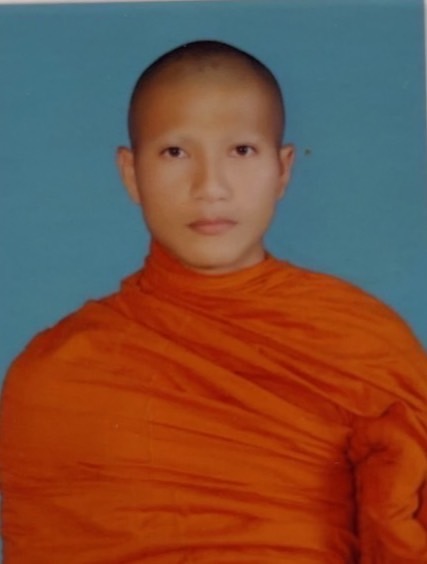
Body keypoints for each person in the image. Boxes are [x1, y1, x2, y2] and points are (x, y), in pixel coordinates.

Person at [0, 40, 426, 564]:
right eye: (175, 153)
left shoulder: (363, 342)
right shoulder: (57, 373)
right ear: (131, 173)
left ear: (283, 169)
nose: (210, 187)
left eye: (241, 151)